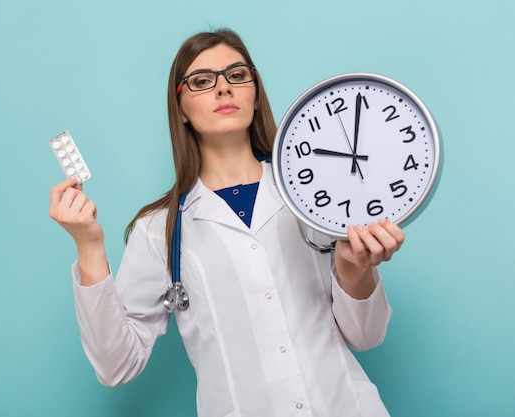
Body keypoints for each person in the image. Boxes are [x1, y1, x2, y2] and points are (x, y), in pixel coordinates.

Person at [49, 28, 405, 417]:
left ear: (255, 94)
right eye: (202, 81)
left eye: (237, 75)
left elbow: (367, 337)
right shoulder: (160, 229)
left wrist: (355, 270)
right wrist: (89, 246)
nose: (223, 89)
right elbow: (117, 366)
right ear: (181, 109)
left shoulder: (316, 191)